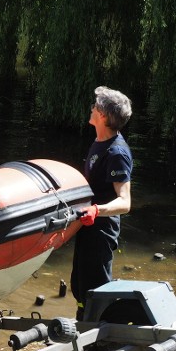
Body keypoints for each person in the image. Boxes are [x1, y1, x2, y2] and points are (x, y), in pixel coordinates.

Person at [71, 86, 133, 320]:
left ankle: (101, 339)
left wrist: (97, 210)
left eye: (95, 107)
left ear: (104, 116)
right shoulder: (99, 141)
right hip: (87, 226)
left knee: (95, 288)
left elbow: (125, 203)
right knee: (79, 285)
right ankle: (82, 329)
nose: (91, 109)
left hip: (101, 230)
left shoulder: (117, 152)